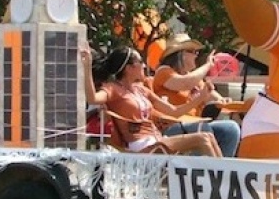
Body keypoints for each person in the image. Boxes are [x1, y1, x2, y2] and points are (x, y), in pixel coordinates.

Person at [80, 45, 222, 157]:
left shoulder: (141, 90)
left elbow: (175, 111)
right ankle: (224, 179)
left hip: (157, 140)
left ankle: (228, 176)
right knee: (202, 138)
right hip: (141, 147)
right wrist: (87, 68)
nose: (144, 66)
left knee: (208, 136)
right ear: (129, 68)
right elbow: (92, 98)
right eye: (140, 62)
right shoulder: (113, 89)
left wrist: (202, 97)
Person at [151, 33, 241, 157]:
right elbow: (185, 84)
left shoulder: (193, 77)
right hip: (171, 127)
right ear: (180, 54)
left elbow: (213, 96)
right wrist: (208, 65)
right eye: (192, 51)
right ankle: (204, 172)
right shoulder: (164, 71)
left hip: (194, 124)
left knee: (230, 129)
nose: (196, 54)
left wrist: (222, 100)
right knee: (201, 128)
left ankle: (221, 171)